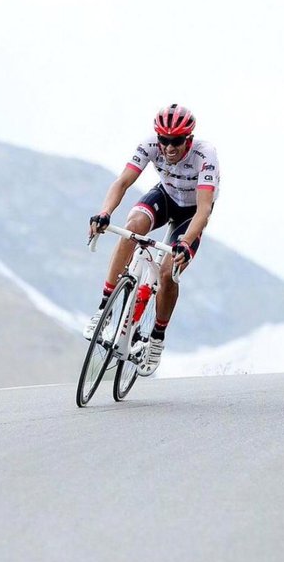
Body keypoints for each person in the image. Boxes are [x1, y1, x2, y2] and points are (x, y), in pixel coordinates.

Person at [84, 104, 219, 375]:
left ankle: (156, 338)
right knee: (132, 228)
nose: (169, 148)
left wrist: (185, 242)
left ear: (188, 139)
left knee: (169, 273)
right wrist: (104, 212)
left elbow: (204, 210)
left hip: (192, 212)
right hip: (166, 197)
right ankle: (104, 307)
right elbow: (122, 182)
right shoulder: (149, 145)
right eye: (164, 140)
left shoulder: (205, 155)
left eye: (177, 141)